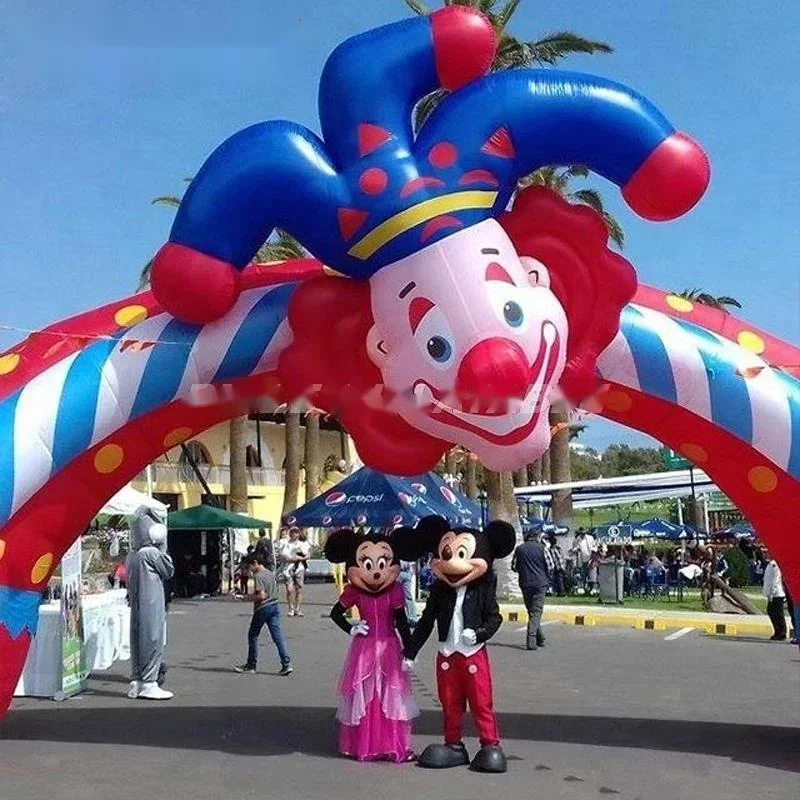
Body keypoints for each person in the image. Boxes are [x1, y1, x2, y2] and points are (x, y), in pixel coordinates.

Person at [399, 516, 516, 774]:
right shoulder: (440, 591)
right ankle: (453, 745)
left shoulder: (483, 589)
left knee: (480, 702)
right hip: (447, 654)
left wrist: (479, 633)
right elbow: (426, 621)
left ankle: (490, 744)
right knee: (450, 703)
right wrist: (411, 650)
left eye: (461, 553)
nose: (452, 562)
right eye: (448, 553)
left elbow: (494, 617)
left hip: (472, 654)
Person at [324, 528, 417, 762]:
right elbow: (336, 614)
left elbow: (401, 622)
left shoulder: (395, 590)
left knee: (388, 694)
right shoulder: (354, 591)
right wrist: (351, 627)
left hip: (388, 647)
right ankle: (364, 744)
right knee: (366, 695)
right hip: (364, 647)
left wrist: (410, 650)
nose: (376, 571)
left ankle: (389, 743)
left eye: (383, 562)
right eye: (367, 564)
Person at [126, 507, 174, 700]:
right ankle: (149, 682)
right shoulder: (151, 554)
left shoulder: (133, 555)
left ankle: (137, 680)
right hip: (152, 601)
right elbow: (168, 570)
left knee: (138, 638)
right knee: (152, 637)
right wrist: (162, 546)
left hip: (137, 603)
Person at [234, 553, 293, 675]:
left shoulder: (258, 576)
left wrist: (244, 597)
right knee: (278, 636)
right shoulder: (270, 573)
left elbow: (261, 595)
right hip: (274, 606)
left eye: (250, 566)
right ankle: (286, 663)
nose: (249, 570)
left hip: (263, 608)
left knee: (253, 635)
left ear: (255, 563)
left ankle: (251, 664)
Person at [512, 531, 549, 651]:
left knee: (532, 611)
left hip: (525, 583)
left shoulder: (519, 549)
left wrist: (523, 570)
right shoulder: (542, 548)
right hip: (540, 583)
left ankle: (540, 638)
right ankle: (531, 640)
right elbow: (551, 565)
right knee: (536, 611)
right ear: (536, 538)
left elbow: (513, 566)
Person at [280, 527, 310, 617]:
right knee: (289, 590)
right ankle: (291, 608)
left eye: (296, 532)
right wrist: (294, 558)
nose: (294, 534)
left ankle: (297, 609)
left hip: (299, 568)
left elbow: (308, 554)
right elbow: (284, 557)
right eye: (292, 532)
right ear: (290, 534)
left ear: (299, 534)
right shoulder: (285, 544)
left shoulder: (303, 544)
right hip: (288, 569)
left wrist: (300, 558)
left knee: (299, 589)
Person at [763, 553, 787, 641]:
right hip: (772, 593)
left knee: (778, 613)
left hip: (777, 593)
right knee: (772, 612)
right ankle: (778, 631)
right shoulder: (771, 563)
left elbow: (775, 580)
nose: (767, 555)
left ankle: (782, 632)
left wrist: (771, 593)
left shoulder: (775, 564)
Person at [398, 559, 418, 626]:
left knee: (408, 597)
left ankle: (412, 618)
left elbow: (413, 561)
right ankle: (396, 620)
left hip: (407, 573)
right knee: (396, 597)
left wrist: (412, 573)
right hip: (397, 573)